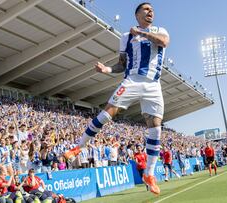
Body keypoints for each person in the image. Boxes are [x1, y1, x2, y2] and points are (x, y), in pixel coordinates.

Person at [64, 2, 169, 195]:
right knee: (107, 113)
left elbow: (163, 42)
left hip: (153, 84)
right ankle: (78, 147)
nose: (150, 12)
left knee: (155, 128)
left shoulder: (159, 30)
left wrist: (143, 34)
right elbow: (122, 64)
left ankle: (149, 174)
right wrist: (107, 69)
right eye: (146, 9)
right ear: (137, 15)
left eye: (152, 9)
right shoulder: (126, 37)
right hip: (132, 81)